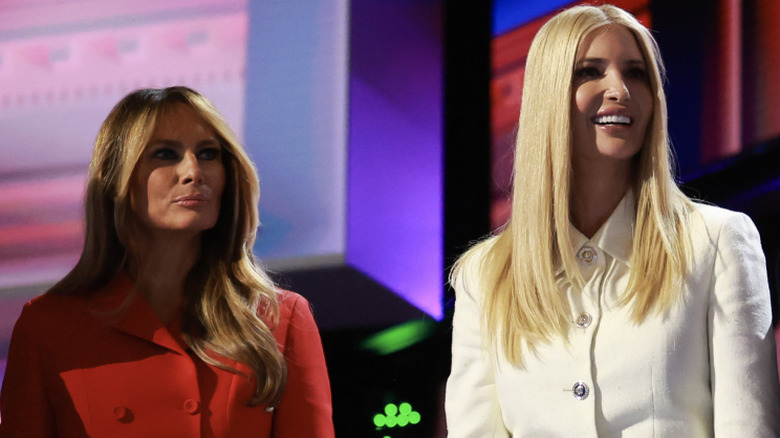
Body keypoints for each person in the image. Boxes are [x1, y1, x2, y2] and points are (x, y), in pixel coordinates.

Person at [445, 4, 780, 437]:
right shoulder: (487, 275)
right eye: (590, 71)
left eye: (636, 72)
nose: (619, 89)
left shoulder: (718, 242)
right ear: (549, 94)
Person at [0, 87, 334, 437]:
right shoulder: (49, 327)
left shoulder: (280, 319)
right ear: (117, 180)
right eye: (165, 154)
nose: (193, 171)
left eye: (208, 154)